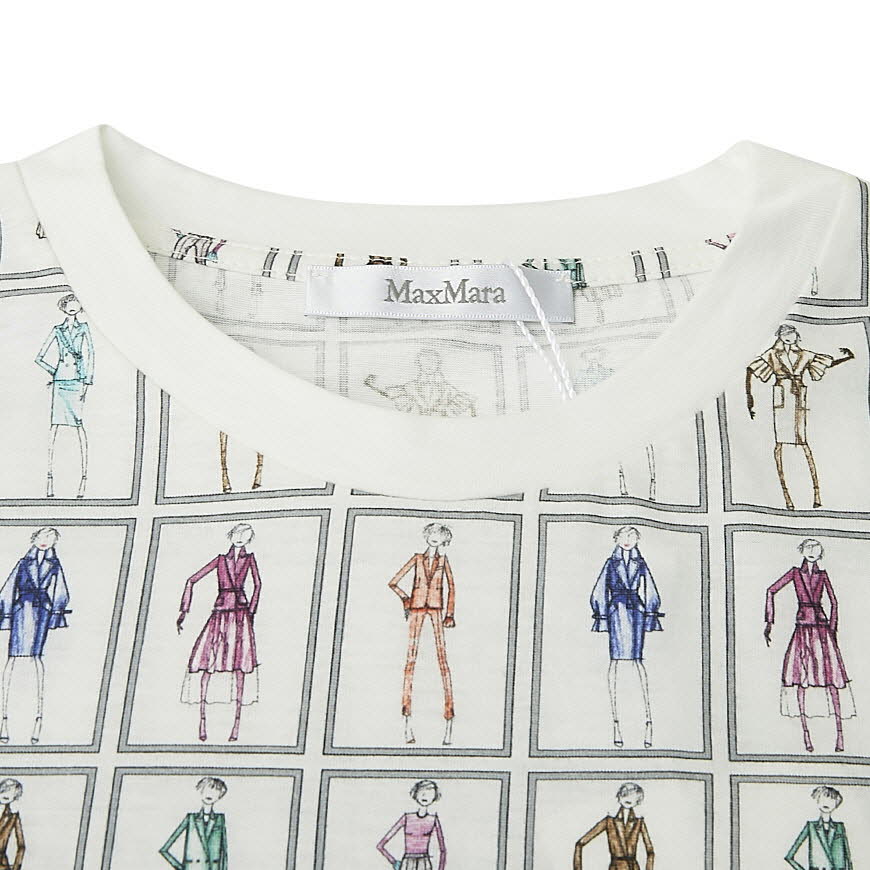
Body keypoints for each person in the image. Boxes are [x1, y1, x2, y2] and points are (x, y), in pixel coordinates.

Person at [746, 324, 853, 510]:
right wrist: (750, 398)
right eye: (786, 334)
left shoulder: (805, 355)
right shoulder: (772, 354)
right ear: (780, 336)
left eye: (792, 334)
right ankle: (787, 497)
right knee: (780, 443)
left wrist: (847, 357)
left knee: (803, 442)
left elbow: (826, 363)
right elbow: (751, 369)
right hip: (781, 395)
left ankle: (816, 494)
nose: (790, 337)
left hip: (798, 397)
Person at [764, 539, 854, 753]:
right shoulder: (795, 573)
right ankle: (806, 736)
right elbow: (771, 590)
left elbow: (834, 602)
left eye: (816, 550)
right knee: (800, 680)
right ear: (802, 551)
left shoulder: (823, 575)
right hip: (803, 627)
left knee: (832, 680)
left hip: (822, 629)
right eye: (809, 549)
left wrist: (833, 630)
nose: (813, 552)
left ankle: (840, 735)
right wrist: (769, 621)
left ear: (820, 553)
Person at [177, 524, 261, 742]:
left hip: (240, 614)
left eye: (245, 536)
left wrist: (251, 613)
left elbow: (258, 585)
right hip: (221, 612)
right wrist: (184, 610)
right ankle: (202, 722)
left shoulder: (249, 559)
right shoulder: (221, 560)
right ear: (231, 536)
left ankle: (236, 726)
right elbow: (192, 580)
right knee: (207, 663)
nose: (240, 539)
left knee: (240, 666)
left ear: (249, 539)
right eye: (237, 535)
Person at [590, 527, 663, 749]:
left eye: (632, 537)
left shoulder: (640, 563)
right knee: (615, 662)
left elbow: (650, 589)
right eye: (623, 536)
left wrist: (651, 614)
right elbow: (599, 591)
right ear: (616, 539)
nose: (627, 540)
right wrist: (602, 616)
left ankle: (648, 720)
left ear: (637, 540)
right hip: (616, 613)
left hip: (636, 613)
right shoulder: (610, 563)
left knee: (637, 662)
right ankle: (616, 723)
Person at [0, 527, 70, 745]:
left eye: (50, 538)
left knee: (36, 658)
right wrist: (6, 615)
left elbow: (60, 590)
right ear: (35, 538)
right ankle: (4, 718)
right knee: (13, 659)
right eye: (42, 537)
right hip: (22, 611)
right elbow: (8, 589)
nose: (45, 541)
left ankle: (38, 717)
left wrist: (57, 613)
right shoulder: (23, 563)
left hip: (41, 612)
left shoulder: (54, 564)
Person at [388, 523, 456, 746]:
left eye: (439, 537)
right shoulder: (417, 558)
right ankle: (406, 722)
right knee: (411, 660)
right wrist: (405, 599)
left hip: (436, 609)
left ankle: (449, 721)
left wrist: (450, 614)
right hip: (417, 608)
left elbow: (451, 587)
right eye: (432, 535)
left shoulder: (444, 561)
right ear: (427, 537)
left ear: (444, 540)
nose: (435, 539)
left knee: (442, 660)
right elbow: (394, 582)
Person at [34, 293, 94, 499]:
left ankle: (84, 478)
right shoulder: (57, 330)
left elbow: (90, 354)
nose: (73, 307)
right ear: (64, 307)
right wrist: (56, 373)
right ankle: (49, 477)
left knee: (78, 425)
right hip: (60, 383)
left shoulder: (84, 328)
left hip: (77, 382)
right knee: (55, 427)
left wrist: (87, 382)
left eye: (76, 304)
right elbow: (39, 357)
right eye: (69, 304)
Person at [573, 781, 655, 870]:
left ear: (638, 800)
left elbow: (650, 851)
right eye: (624, 794)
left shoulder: (639, 821)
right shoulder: (609, 820)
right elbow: (580, 843)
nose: (628, 798)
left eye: (633, 795)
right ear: (619, 797)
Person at [159, 776, 228, 870]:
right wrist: (181, 868)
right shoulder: (191, 818)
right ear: (201, 791)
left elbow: (224, 854)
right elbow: (164, 850)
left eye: (215, 791)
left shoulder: (220, 819)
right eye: (207, 790)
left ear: (220, 796)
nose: (210, 794)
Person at [377, 780, 446, 870]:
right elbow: (380, 845)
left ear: (434, 797)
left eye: (429, 794)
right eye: (422, 793)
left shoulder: (433, 820)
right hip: (407, 862)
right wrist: (394, 862)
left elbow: (443, 850)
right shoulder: (407, 818)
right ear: (415, 794)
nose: (425, 796)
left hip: (424, 863)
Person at [785, 786, 852, 870]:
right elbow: (789, 857)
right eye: (823, 799)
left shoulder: (840, 827)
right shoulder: (811, 826)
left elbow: (848, 858)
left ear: (836, 804)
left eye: (831, 800)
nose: (826, 803)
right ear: (818, 801)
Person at [0, 778, 24, 870]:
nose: (7, 793)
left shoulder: (13, 816)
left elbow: (21, 846)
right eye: (4, 790)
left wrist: (16, 868)